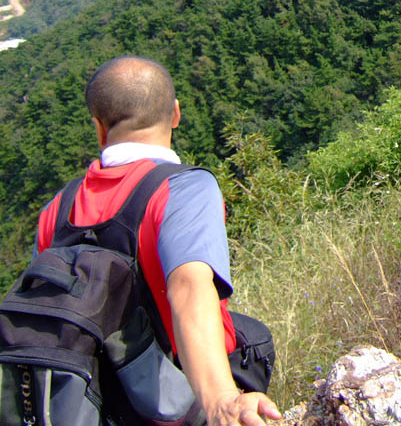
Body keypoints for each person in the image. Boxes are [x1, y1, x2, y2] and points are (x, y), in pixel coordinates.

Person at [33, 56, 281, 426]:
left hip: (87, 397)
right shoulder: (183, 189)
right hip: (166, 398)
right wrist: (220, 400)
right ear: (175, 114)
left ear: (98, 128)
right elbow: (190, 289)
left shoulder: (56, 210)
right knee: (253, 338)